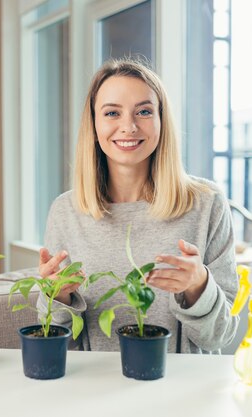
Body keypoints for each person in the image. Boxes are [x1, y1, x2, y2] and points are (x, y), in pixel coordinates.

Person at [37, 58, 238, 353]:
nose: (128, 127)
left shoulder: (207, 204)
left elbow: (221, 337)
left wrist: (199, 286)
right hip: (93, 389)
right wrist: (58, 298)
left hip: (180, 390)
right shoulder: (66, 211)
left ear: (161, 120)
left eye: (144, 111)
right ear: (93, 124)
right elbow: (57, 340)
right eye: (112, 113)